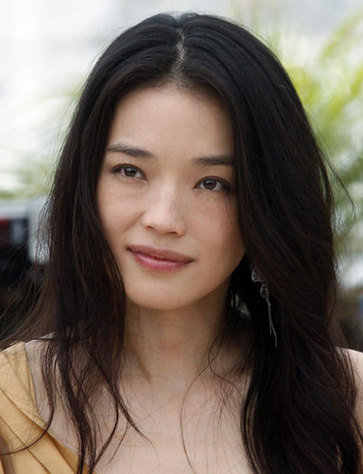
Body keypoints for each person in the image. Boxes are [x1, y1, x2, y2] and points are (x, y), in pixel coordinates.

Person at [0, 12, 362, 474]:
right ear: (85, 183)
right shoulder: (11, 406)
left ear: (266, 203)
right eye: (130, 171)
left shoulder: (347, 399)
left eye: (212, 183)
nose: (163, 219)